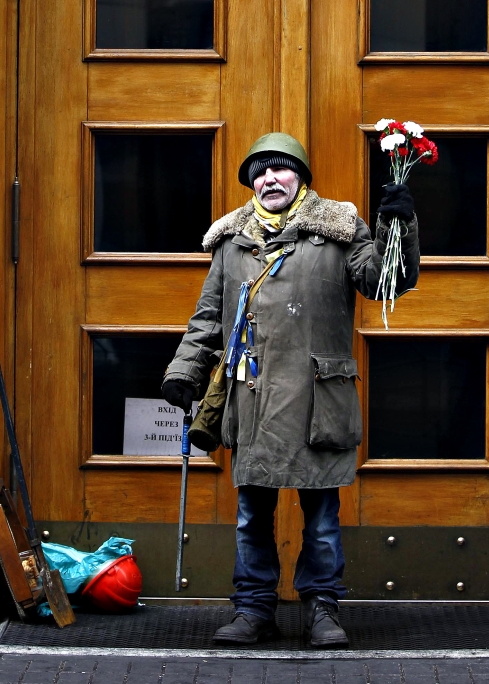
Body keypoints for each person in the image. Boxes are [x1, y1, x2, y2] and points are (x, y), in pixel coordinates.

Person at [162, 132, 419, 648]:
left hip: (317, 401)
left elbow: (385, 281)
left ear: (300, 176)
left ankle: (323, 609)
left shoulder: (340, 228)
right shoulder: (232, 241)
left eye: (280, 168)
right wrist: (184, 372)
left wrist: (398, 224)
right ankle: (253, 609)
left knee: (321, 518)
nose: (269, 179)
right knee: (251, 516)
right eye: (259, 172)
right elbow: (209, 317)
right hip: (253, 398)